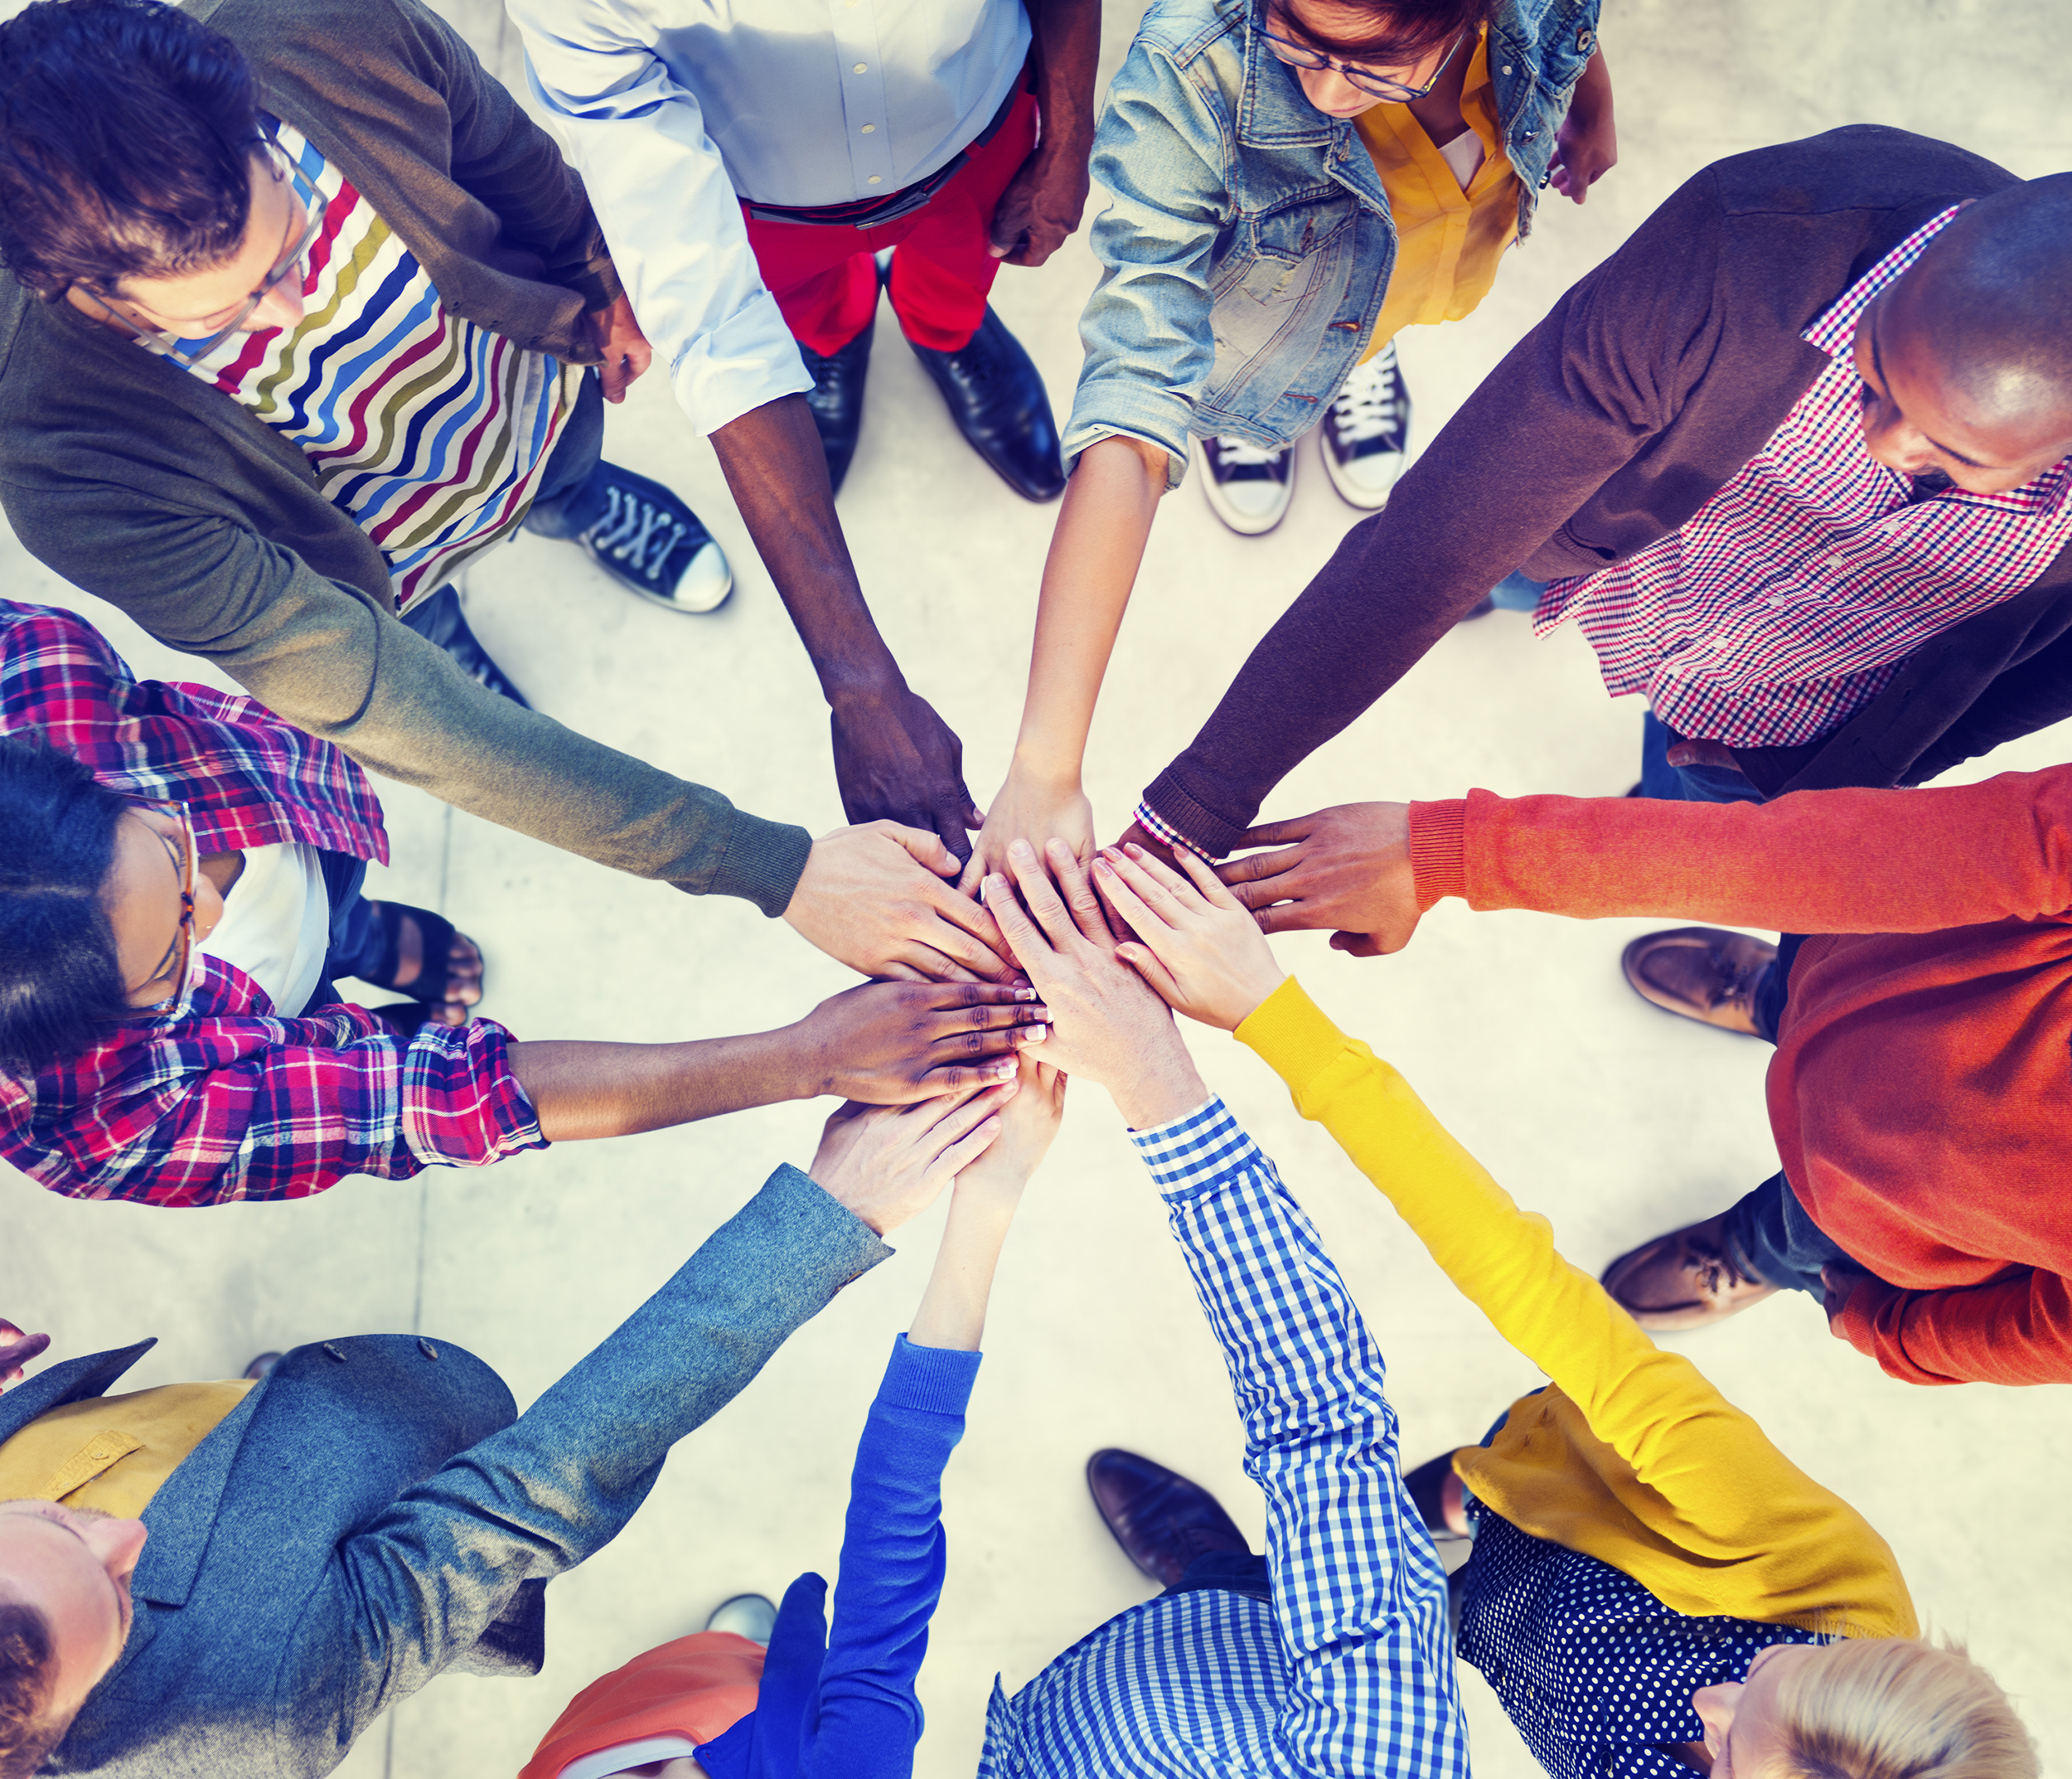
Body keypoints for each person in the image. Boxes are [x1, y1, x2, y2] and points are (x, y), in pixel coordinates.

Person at [0, 0, 1018, 975]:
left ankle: (580, 505)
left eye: (294, 235)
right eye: (230, 313)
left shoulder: (322, 27)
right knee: (415, 643)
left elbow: (505, 154)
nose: (297, 301)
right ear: (88, 294)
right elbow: (385, 701)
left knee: (568, 477)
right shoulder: (68, 466)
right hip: (381, 561)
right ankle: (438, 623)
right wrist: (768, 867)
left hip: (528, 401)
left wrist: (589, 273)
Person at [1059, 836, 2038, 1779]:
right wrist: (1273, 1014)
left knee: (1333, 1645)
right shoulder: (1813, 1561)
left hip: (1506, 1645)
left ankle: (1237, 1589)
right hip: (1537, 1494)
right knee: (1442, 1501)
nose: (1710, 1707)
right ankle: (1383, 1526)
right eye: (1769, 1671)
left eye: (1731, 1757)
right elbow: (1515, 1267)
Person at [0, 1081, 1018, 1779]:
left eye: (51, 1529)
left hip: (184, 1427)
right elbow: (533, 1487)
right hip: (378, 1558)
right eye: (119, 1600)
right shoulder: (255, 1709)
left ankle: (262, 1431)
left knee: (254, 1433)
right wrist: (831, 1219)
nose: (128, 1535)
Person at [1121, 132, 2072, 861]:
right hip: (1613, 546)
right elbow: (1434, 546)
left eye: (1948, 453)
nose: (1883, 440)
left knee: (1687, 819)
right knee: (1493, 565)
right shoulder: (1749, 245)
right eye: (1870, 374)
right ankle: (1516, 590)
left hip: (1798, 713)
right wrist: (1200, 802)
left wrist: (1872, 769)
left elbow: (2045, 681)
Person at [0, 599, 1047, 1207]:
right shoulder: (98, 1120)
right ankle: (362, 958)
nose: (212, 912)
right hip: (271, 1005)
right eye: (171, 964)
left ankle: (377, 937)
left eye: (175, 846)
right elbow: (424, 1100)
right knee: (314, 989)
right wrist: (802, 1056)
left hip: (304, 818)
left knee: (354, 922)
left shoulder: (33, 671)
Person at [963, 0, 1615, 884]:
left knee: (1396, 309)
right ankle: (1253, 412)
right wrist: (1044, 768)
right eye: (1296, 40)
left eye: (1378, 66)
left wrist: (1588, 98)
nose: (1325, 88)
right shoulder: (1193, 69)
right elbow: (1136, 384)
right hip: (1245, 329)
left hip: (1434, 253)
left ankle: (1354, 363)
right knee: (1225, 384)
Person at [1204, 773, 2072, 1385]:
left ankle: (1750, 1254)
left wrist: (1888, 1332)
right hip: (1857, 951)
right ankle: (1771, 994)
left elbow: (2046, 1335)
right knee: (1809, 955)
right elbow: (1817, 858)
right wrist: (1449, 852)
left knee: (1796, 1233)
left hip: (1875, 1209)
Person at [964, 839, 1469, 1777]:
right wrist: (1154, 1073)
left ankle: (1228, 1578)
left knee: (1327, 1558)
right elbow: (1317, 1417)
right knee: (1328, 1518)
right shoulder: (1377, 1753)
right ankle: (1250, 1570)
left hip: (1082, 1729)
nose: (1720, 1698)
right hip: (1258, 1658)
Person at [517, 1054, 1063, 1779]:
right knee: (743, 1676)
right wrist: (991, 1194)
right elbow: (891, 1519)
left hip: (613, 1735)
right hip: (746, 1726)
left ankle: (727, 1662)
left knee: (664, 1687)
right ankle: (748, 1665)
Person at [511, 0, 1094, 512]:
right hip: (765, 205)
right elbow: (613, 115)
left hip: (974, 136)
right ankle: (836, 342)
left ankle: (949, 336)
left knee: (964, 271)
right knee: (807, 307)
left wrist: (1070, 140)